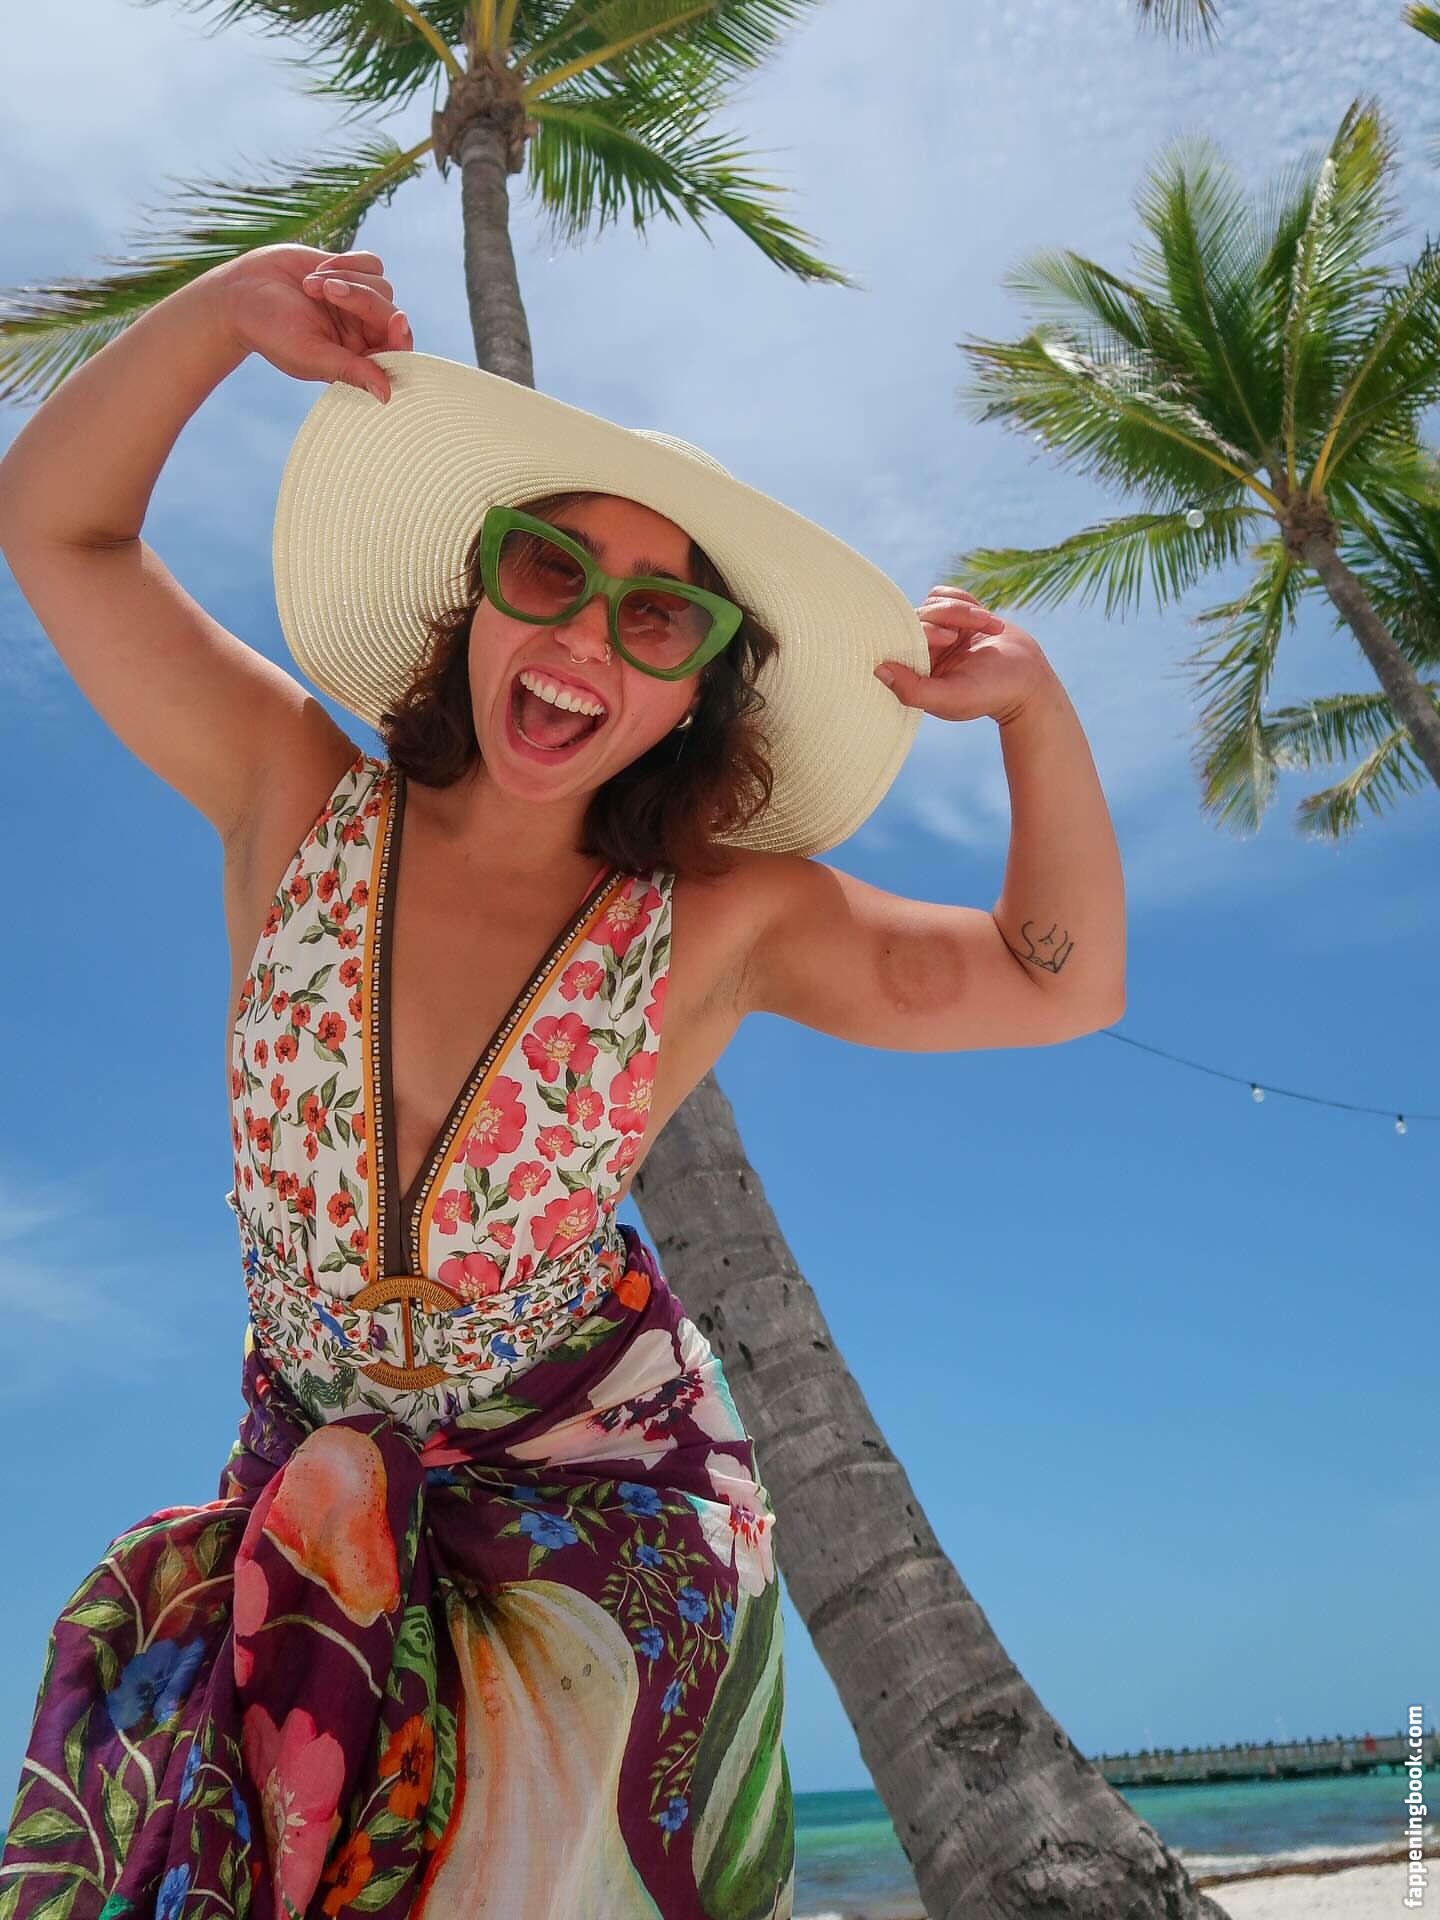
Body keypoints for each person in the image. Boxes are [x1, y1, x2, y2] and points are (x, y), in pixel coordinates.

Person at [0, 245, 1125, 1919]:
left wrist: (1035, 714)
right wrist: (224, 314)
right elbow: (56, 529)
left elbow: (1060, 980)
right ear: (482, 596)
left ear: (696, 689)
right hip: (309, 1484)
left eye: (657, 615)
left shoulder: (720, 924)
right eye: (552, 566)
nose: (591, 631)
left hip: (602, 1530)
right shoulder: (291, 792)